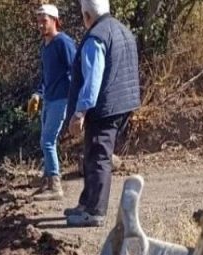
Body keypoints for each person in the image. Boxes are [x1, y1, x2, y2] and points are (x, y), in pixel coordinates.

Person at [65, 0, 140, 227]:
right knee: (93, 154)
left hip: (105, 107)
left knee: (98, 157)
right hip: (123, 103)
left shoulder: (95, 38)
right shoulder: (122, 30)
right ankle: (86, 203)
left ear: (87, 14)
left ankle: (95, 211)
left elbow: (93, 79)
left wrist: (80, 113)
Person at [29, 4, 76, 201]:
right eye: (39, 21)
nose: (40, 25)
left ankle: (55, 185)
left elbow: (76, 69)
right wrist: (38, 94)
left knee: (48, 141)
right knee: (45, 140)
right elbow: (46, 76)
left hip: (61, 99)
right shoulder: (45, 46)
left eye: (44, 21)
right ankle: (48, 180)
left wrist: (76, 101)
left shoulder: (63, 42)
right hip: (49, 99)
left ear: (55, 21)